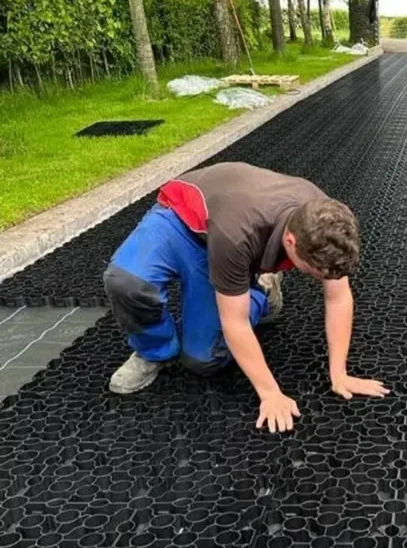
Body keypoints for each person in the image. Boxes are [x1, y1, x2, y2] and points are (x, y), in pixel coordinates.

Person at [102, 161, 389, 432]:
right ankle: (155, 351)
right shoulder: (238, 234)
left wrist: (339, 373)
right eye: (314, 271)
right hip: (181, 221)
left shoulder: (325, 220)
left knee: (204, 360)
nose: (320, 278)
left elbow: (338, 297)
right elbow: (235, 322)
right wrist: (270, 393)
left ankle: (260, 290)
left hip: (233, 232)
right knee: (126, 282)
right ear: (291, 241)